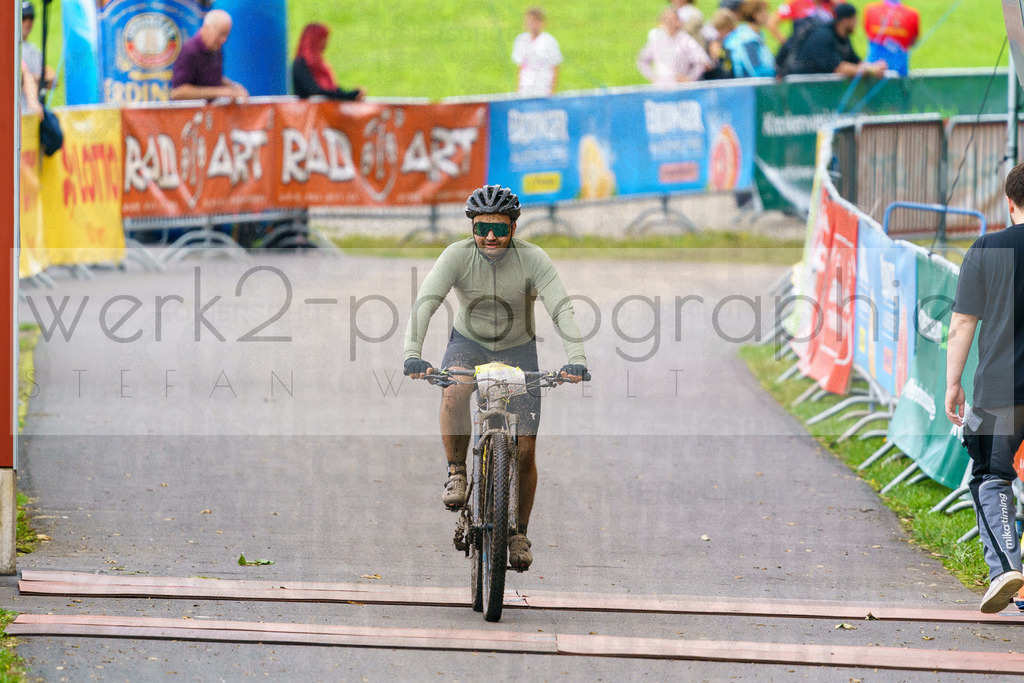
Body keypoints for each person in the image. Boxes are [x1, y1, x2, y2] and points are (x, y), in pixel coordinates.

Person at [403, 185, 589, 571]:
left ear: (514, 228)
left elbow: (561, 308)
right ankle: (456, 471)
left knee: (524, 449)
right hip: (467, 343)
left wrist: (576, 358)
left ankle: (518, 532)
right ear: (472, 226)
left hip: (519, 350)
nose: (491, 237)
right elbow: (426, 302)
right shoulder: (456, 256)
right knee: (455, 391)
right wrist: (412, 354)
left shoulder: (534, 259)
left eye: (500, 229)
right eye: (483, 227)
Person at [945, 163, 1024, 614]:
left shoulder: (987, 248)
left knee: (990, 479)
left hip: (1000, 389)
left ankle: (1006, 570)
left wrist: (953, 382)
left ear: (1009, 203)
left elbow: (962, 323)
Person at [785, 3, 886, 77]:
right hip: (800, 85)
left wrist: (875, 66)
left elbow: (855, 61)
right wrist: (871, 70)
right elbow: (839, 68)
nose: (856, 23)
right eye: (854, 19)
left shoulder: (843, 38)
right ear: (845, 20)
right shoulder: (823, 36)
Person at [170, 9, 248, 101]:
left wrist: (233, 87)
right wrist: (218, 92)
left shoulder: (216, 49)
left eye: (227, 35)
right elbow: (178, 92)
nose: (224, 40)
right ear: (206, 28)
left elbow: (211, 78)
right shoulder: (189, 51)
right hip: (189, 113)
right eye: (221, 34)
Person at [637, 7, 713, 86]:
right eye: (667, 19)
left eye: (673, 19)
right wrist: (652, 77)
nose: (670, 23)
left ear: (679, 22)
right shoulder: (657, 40)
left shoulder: (686, 40)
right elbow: (642, 60)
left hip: (679, 88)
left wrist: (690, 79)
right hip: (660, 87)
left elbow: (702, 62)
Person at [292, 23, 364, 100]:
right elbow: (314, 91)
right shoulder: (300, 64)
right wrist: (348, 96)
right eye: (323, 39)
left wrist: (351, 94)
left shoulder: (319, 65)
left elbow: (331, 89)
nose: (326, 43)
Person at [511, 7, 563, 97]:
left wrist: (552, 91)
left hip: (543, 88)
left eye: (535, 21)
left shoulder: (549, 41)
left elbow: (555, 66)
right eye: (529, 21)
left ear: (541, 23)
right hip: (526, 89)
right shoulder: (520, 40)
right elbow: (520, 66)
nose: (532, 25)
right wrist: (518, 89)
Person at [863, 0, 919, 77]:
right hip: (898, 70)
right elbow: (913, 41)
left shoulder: (870, 10)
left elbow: (867, 32)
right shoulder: (912, 14)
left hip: (874, 69)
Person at [723, 0, 776, 78]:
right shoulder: (748, 38)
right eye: (765, 11)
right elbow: (756, 70)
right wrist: (778, 73)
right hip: (747, 87)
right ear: (756, 15)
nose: (768, 15)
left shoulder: (755, 34)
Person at [766, 0, 835, 44]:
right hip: (806, 53)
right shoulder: (797, 2)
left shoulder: (833, 3)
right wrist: (787, 45)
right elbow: (771, 22)